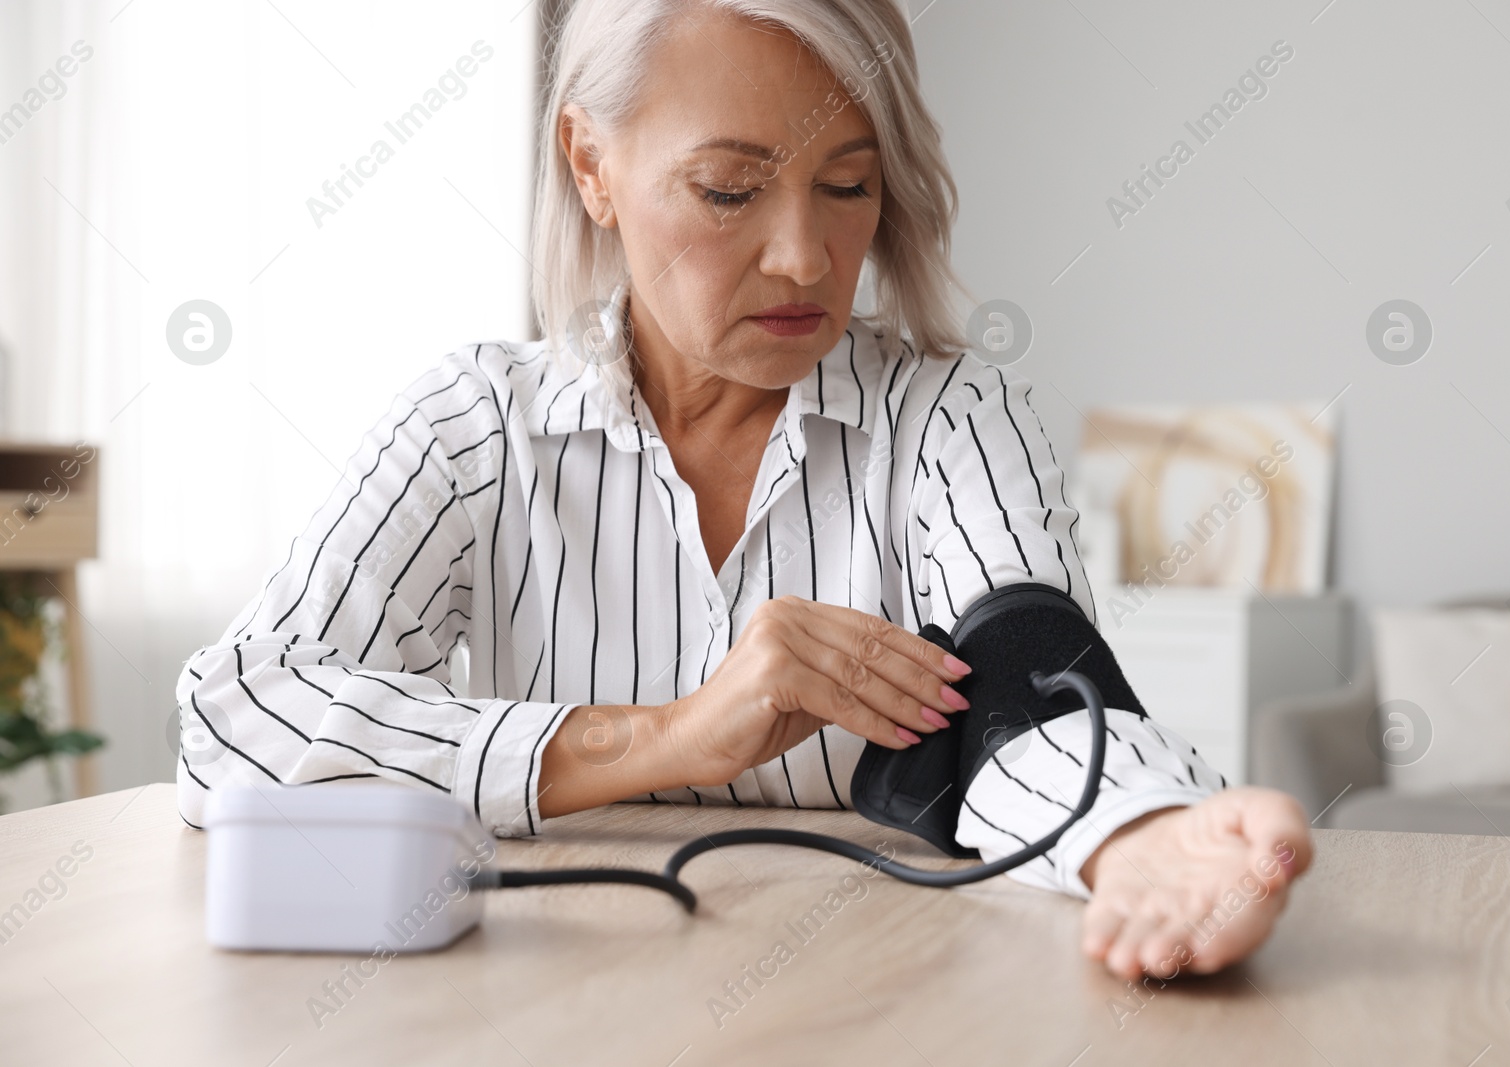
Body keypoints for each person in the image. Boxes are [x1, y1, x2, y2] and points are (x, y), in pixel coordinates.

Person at [176, 0, 1312, 981]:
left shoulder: (950, 417)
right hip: (549, 998)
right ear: (591, 165)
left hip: (883, 995)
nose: (806, 258)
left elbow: (1023, 674)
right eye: (729, 191)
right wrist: (666, 737)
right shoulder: (473, 424)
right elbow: (239, 716)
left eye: (847, 185)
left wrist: (1140, 830)